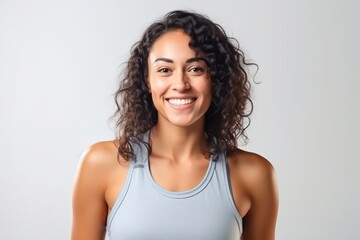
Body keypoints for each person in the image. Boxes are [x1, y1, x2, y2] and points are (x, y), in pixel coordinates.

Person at [71, 10, 278, 240]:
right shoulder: (101, 163)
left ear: (216, 79)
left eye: (196, 69)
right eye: (164, 70)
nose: (180, 84)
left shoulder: (255, 174)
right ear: (147, 81)